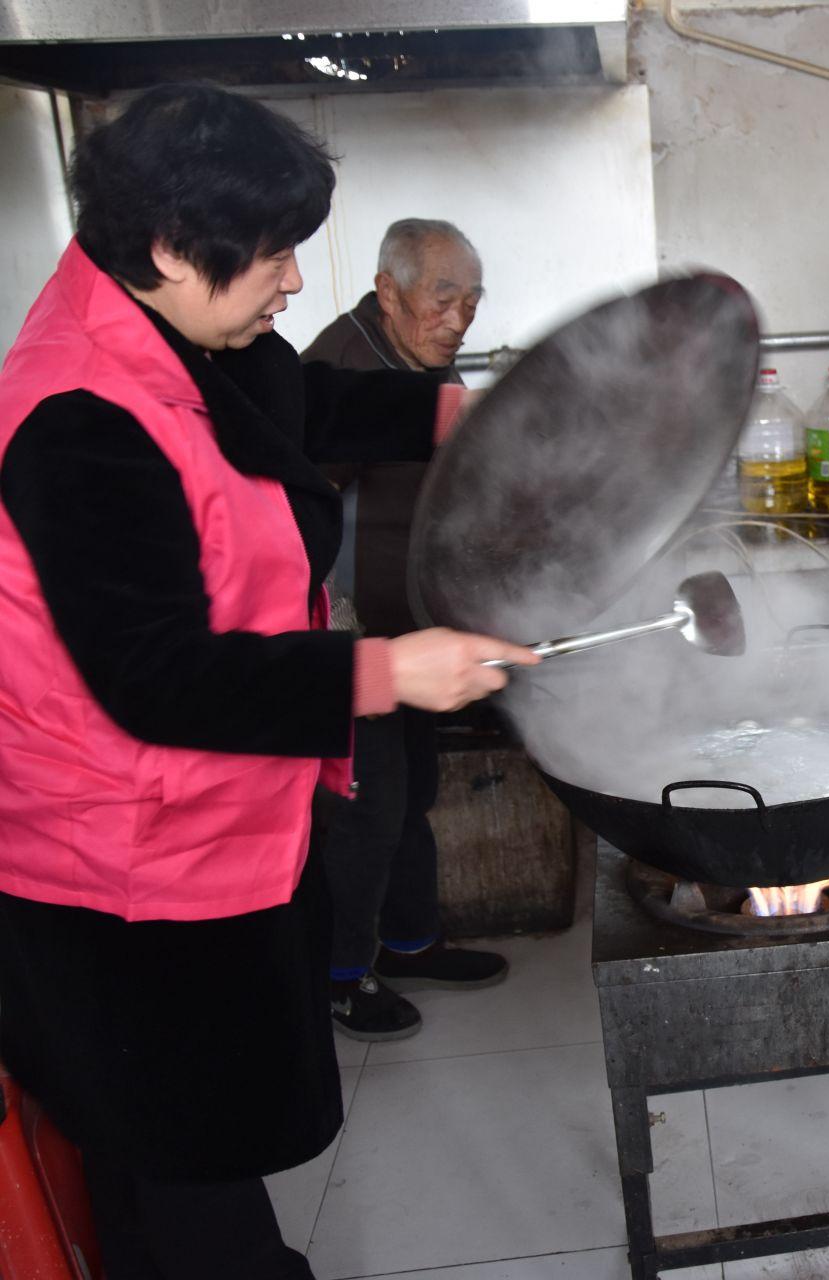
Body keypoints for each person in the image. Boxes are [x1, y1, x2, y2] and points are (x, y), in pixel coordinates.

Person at [0, 84, 538, 1277]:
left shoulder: (182, 331)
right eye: (275, 255)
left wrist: (491, 416)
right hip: (115, 876)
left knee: (191, 1157)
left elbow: (317, 398)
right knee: (181, 1178)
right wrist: (390, 667)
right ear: (166, 249)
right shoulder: (77, 414)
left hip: (207, 829)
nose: (295, 281)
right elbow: (157, 676)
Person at [304, 218, 502, 1041]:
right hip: (354, 642)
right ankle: (342, 977)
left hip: (411, 630)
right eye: (443, 296)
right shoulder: (337, 367)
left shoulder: (418, 354)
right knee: (368, 809)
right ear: (388, 291)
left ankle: (411, 941)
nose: (460, 316)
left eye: (472, 299)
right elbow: (292, 520)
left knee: (412, 793)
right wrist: (343, 645)